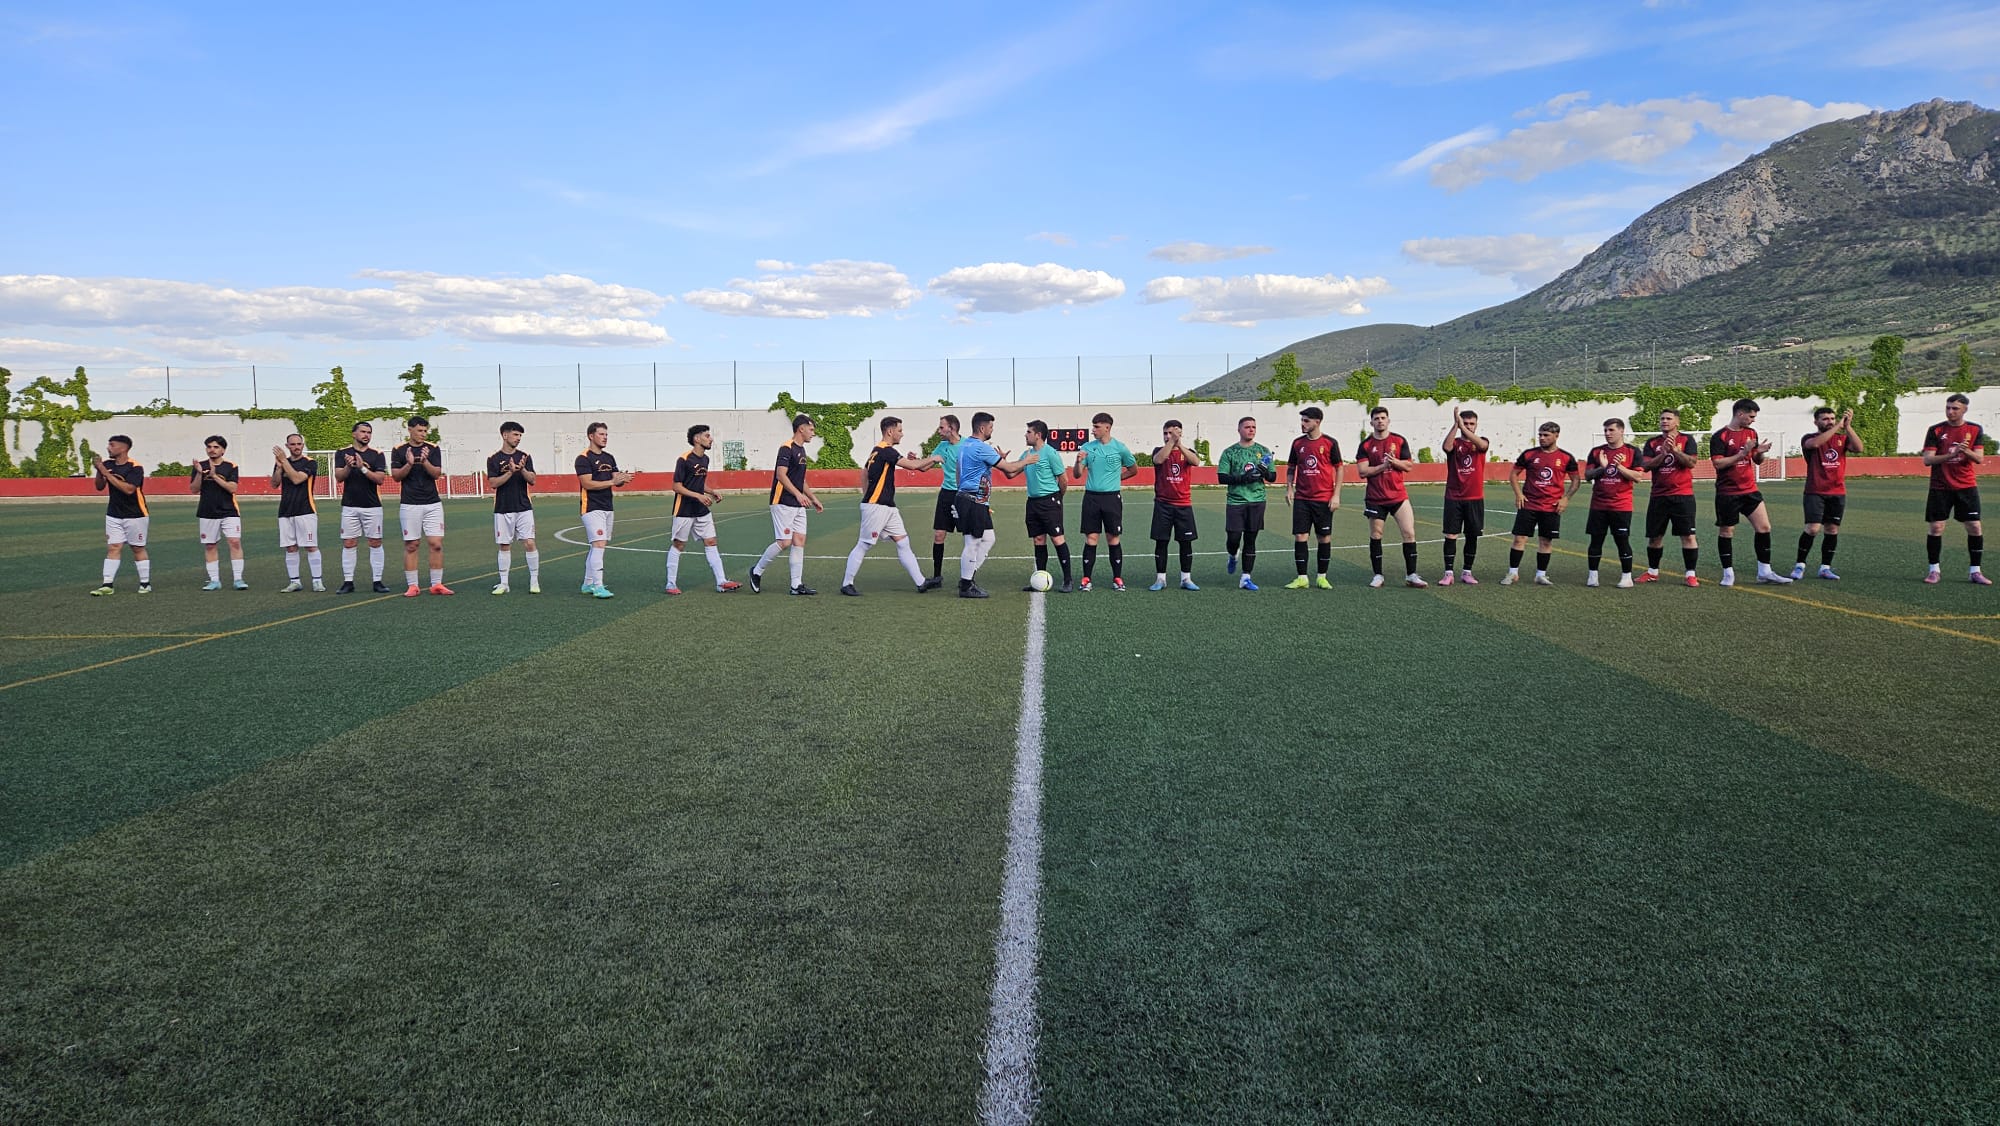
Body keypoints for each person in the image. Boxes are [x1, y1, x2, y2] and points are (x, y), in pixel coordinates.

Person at [840, 416, 940, 596]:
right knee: (864, 544)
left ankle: (921, 582)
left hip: (887, 507)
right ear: (890, 431)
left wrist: (866, 495)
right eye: (900, 430)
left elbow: (864, 473)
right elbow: (912, 466)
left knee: (903, 542)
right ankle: (847, 583)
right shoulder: (886, 451)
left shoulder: (877, 450)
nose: (902, 434)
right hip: (877, 507)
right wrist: (934, 457)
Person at [1709, 398, 1791, 585]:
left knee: (1764, 528)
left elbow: (1757, 461)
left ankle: (1765, 571)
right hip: (1727, 493)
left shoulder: (1751, 433)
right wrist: (1741, 453)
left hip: (1750, 490)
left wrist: (1760, 451)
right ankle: (1728, 573)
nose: (1753, 420)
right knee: (1727, 532)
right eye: (1751, 416)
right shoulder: (1720, 436)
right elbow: (1718, 463)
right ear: (1740, 414)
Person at [752, 414, 825, 595]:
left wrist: (813, 498)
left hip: (797, 503)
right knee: (784, 541)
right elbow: (781, 475)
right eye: (811, 429)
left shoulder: (802, 450)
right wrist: (798, 495)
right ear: (801, 428)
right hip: (782, 501)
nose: (812, 433)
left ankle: (796, 585)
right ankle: (756, 571)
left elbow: (800, 480)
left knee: (799, 541)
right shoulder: (786, 448)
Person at [1921, 392, 1987, 585]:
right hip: (1940, 487)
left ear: (1965, 409)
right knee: (1936, 527)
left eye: (1955, 408)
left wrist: (1965, 450)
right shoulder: (1936, 430)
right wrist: (1952, 455)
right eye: (1948, 407)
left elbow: (1980, 458)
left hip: (1966, 486)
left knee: (1974, 527)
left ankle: (1975, 571)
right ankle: (1934, 570)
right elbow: (1928, 460)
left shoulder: (1975, 429)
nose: (1950, 412)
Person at [1503, 422, 1581, 586]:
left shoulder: (1566, 457)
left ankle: (1540, 575)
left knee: (1546, 541)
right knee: (1519, 539)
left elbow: (1576, 480)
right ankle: (1512, 573)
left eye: (1546, 435)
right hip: (1529, 504)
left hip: (1551, 506)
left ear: (1556, 435)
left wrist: (1566, 498)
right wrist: (1519, 494)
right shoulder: (1530, 455)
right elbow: (1513, 475)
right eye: (1540, 435)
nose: (1542, 438)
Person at [666, 424, 740, 595]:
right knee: (679, 545)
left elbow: (699, 483)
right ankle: (670, 584)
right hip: (684, 510)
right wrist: (698, 495)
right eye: (707, 436)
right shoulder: (684, 460)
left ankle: (721, 582)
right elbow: (676, 486)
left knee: (711, 542)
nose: (711, 439)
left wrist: (711, 491)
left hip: (702, 509)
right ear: (696, 439)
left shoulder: (705, 460)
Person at [1356, 406, 1425, 588]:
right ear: (1371, 422)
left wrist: (1395, 463)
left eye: (1383, 418)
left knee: (1409, 533)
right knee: (1376, 534)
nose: (1380, 421)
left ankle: (1411, 575)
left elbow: (1409, 466)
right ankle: (1378, 575)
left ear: (1388, 420)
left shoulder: (1399, 440)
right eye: (1376, 418)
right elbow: (1363, 472)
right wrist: (1382, 466)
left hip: (1398, 496)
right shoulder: (1366, 445)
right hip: (1375, 498)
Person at [1003, 420, 1073, 592]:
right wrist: (1003, 462)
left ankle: (1068, 580)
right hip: (1032, 503)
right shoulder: (1027, 454)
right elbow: (1011, 473)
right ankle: (1040, 579)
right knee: (1038, 540)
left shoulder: (1050, 453)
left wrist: (1058, 498)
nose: (1025, 435)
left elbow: (1064, 480)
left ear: (1038, 435)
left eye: (1028, 432)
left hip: (1050, 502)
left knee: (1057, 539)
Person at [1071, 411, 1137, 591]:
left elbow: (1133, 469)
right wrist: (1078, 462)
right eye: (1093, 426)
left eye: (1096, 427)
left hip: (1111, 499)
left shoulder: (1120, 448)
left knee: (1113, 538)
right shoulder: (1087, 447)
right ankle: (1086, 579)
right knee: (1091, 537)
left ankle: (1117, 579)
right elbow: (1077, 475)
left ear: (1107, 428)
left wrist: (1117, 478)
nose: (1093, 430)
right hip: (1091, 498)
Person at [1795, 407, 1862, 581]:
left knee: (1832, 529)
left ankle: (1825, 568)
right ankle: (1799, 565)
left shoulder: (1841, 439)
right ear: (1816, 422)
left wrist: (1847, 427)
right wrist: (1838, 425)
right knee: (1812, 528)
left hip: (1837, 492)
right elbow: (1816, 444)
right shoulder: (1809, 438)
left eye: (1832, 418)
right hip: (1815, 491)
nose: (1830, 421)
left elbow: (1859, 448)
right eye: (1825, 419)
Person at [1638, 409, 1701, 587]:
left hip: (1683, 496)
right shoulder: (1652, 442)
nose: (1664, 421)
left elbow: (1691, 463)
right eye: (1662, 418)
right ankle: (1652, 572)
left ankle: (1690, 574)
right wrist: (1663, 453)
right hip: (1659, 496)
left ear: (1677, 422)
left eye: (1668, 418)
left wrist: (1675, 451)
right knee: (1654, 537)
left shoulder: (1687, 440)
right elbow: (1646, 466)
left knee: (1688, 535)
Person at [1284, 406, 1343, 590]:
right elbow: (1291, 467)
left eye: (1306, 421)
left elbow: (1339, 467)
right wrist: (1289, 488)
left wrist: (1336, 494)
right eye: (1302, 420)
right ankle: (1302, 578)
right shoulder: (1297, 444)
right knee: (1301, 536)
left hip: (1324, 498)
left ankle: (1321, 577)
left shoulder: (1330, 443)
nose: (1302, 424)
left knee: (1323, 537)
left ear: (1317, 422)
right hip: (1302, 498)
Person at [392, 415, 451, 597]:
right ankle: (412, 585)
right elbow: (396, 476)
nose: (423, 434)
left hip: (432, 503)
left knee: (436, 544)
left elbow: (436, 474)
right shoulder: (399, 450)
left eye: (425, 431)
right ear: (410, 430)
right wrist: (409, 463)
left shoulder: (433, 449)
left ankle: (437, 584)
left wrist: (424, 461)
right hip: (410, 504)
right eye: (420, 430)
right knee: (412, 545)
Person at [1215, 416, 1275, 591]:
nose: (1251, 429)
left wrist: (1264, 473)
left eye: (1254, 427)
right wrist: (1243, 478)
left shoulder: (1263, 451)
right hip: (1236, 501)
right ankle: (1233, 555)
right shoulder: (1230, 452)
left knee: (1250, 538)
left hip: (1257, 500)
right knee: (1233, 537)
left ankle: (1245, 577)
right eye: (1247, 427)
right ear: (1239, 429)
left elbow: (1273, 477)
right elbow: (1222, 477)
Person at [575, 421, 634, 598]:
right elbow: (587, 483)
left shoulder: (609, 457)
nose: (605, 437)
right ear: (591, 436)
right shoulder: (583, 458)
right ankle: (598, 586)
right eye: (601, 434)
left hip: (608, 506)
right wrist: (612, 482)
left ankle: (587, 583)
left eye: (606, 434)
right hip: (591, 508)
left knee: (598, 545)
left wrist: (622, 478)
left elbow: (616, 479)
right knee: (599, 544)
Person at [1583, 418, 1643, 588]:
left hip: (1621, 506)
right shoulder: (1596, 452)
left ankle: (1626, 577)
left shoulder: (1633, 452)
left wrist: (1618, 466)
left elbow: (1638, 477)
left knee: (1622, 540)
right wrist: (1603, 468)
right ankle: (1593, 576)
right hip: (1598, 505)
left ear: (1621, 431)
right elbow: (1587, 476)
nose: (1607, 434)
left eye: (1611, 430)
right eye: (1606, 431)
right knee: (1596, 541)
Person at [953, 411, 1007, 598]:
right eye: (991, 427)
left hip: (974, 500)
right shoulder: (981, 447)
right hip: (973, 500)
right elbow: (1010, 469)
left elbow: (958, 472)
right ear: (982, 428)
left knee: (988, 538)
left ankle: (967, 577)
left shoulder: (965, 445)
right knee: (973, 542)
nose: (992, 430)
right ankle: (966, 585)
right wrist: (1028, 461)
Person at [89, 435, 150, 595]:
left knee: (137, 548)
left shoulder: (135, 467)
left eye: (112, 445)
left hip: (136, 514)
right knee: (114, 547)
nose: (108, 448)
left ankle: (145, 583)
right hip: (114, 513)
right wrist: (99, 471)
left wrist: (105, 472)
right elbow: (99, 487)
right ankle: (107, 584)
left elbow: (129, 489)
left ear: (123, 448)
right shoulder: (108, 465)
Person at [333, 421, 390, 594]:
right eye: (363, 431)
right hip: (350, 506)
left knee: (375, 542)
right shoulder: (342, 453)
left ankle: (377, 581)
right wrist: (349, 467)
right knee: (349, 543)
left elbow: (380, 479)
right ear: (354, 434)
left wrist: (363, 468)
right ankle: (348, 581)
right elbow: (339, 477)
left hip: (372, 506)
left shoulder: (377, 454)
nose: (366, 435)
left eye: (369, 432)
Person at [1147, 419, 1202, 591]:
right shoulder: (1159, 450)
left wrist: (1180, 444)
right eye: (1165, 433)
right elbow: (1158, 460)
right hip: (1163, 505)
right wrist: (1171, 442)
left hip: (1183, 505)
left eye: (1171, 433)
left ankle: (1186, 579)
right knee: (1161, 542)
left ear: (1180, 433)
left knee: (1186, 542)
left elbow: (1196, 461)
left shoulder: (1187, 452)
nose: (1167, 436)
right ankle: (1160, 579)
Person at [486, 420, 539, 595]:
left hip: (524, 507)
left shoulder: (525, 456)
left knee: (529, 543)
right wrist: (509, 472)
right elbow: (493, 483)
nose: (518, 438)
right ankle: (504, 583)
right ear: (505, 435)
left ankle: (534, 581)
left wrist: (521, 469)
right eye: (515, 435)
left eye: (520, 435)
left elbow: (532, 479)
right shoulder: (493, 459)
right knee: (504, 545)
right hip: (502, 508)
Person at [190, 435, 247, 590]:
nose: (212, 450)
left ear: (223, 450)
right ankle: (214, 580)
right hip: (207, 511)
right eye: (209, 447)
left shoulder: (231, 466)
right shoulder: (199, 466)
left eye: (216, 447)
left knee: (234, 542)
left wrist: (214, 476)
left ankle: (238, 579)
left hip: (229, 510)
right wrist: (200, 474)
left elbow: (232, 488)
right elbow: (194, 489)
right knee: (210, 545)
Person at [1438, 408, 1488, 585]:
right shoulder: (1456, 442)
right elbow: (1446, 447)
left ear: (1476, 425)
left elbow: (1482, 446)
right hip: (1454, 497)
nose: (1468, 426)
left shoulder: (1481, 442)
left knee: (1472, 535)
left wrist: (1462, 427)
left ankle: (1467, 571)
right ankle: (1448, 573)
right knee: (1451, 535)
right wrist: (1455, 425)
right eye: (1465, 423)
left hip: (1474, 497)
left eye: (1471, 424)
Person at [270, 433, 323, 592]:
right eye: (292, 444)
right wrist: (279, 469)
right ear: (287, 446)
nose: (296, 447)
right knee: (290, 547)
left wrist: (284, 462)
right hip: (286, 511)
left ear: (303, 445)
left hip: (305, 510)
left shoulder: (310, 463)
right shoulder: (281, 463)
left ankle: (317, 581)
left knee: (311, 546)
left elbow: (297, 479)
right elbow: (274, 484)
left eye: (299, 444)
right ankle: (295, 581)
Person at [925, 414, 963, 589]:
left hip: (964, 495)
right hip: (946, 494)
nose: (939, 430)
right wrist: (919, 460)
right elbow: (926, 467)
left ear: (952, 428)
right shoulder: (942, 446)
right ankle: (937, 576)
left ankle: (968, 577)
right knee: (939, 535)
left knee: (970, 537)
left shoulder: (967, 445)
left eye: (941, 427)